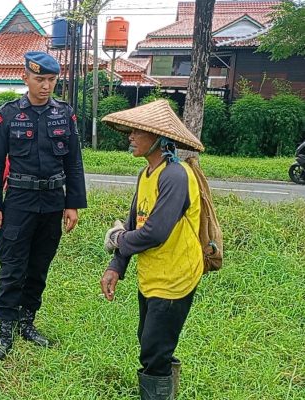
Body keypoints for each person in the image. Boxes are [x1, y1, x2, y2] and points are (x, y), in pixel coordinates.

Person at [0, 51, 87, 361]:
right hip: (18, 201)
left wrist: (73, 203)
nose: (46, 86)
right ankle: (4, 332)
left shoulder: (64, 114)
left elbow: (74, 162)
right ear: (25, 77)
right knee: (13, 267)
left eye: (52, 80)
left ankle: (27, 323)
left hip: (53, 201)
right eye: (40, 79)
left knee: (39, 266)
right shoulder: (9, 114)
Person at [99, 100, 206, 399]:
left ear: (158, 137)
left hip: (175, 277)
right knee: (151, 343)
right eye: (130, 130)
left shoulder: (175, 175)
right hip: (152, 275)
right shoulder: (146, 174)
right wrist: (115, 266)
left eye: (137, 131)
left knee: (154, 350)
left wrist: (118, 239)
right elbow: (134, 223)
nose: (130, 136)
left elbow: (155, 233)